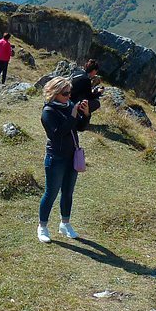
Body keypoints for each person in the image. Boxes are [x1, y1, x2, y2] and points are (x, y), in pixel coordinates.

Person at [37, 76, 91, 243]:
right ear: (55, 93)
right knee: (51, 193)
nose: (69, 96)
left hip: (71, 157)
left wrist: (86, 114)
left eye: (70, 93)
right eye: (65, 93)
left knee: (68, 192)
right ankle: (42, 227)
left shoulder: (68, 106)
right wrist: (73, 116)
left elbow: (80, 127)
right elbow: (56, 135)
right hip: (56, 157)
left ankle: (64, 224)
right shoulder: (48, 112)